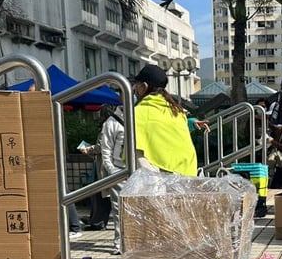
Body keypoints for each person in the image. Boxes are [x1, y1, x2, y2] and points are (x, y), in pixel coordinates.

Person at [131, 64, 203, 176]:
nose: (135, 89)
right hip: (188, 170)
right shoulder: (176, 110)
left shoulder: (139, 112)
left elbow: (136, 153)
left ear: (144, 86)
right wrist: (191, 123)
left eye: (136, 85)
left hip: (163, 177)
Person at [83, 103, 127, 243]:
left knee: (110, 203)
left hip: (113, 169)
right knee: (115, 205)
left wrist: (89, 149)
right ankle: (119, 243)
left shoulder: (136, 117)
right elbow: (105, 148)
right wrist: (112, 170)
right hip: (115, 170)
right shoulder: (111, 123)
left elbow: (102, 147)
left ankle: (100, 223)